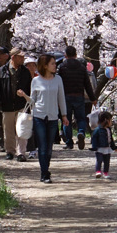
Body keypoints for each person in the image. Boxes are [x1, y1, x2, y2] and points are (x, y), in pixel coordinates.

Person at [26, 53, 69, 184]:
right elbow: (33, 99)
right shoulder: (36, 80)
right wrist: (24, 96)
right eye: (52, 64)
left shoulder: (58, 80)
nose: (55, 66)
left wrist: (64, 115)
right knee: (42, 146)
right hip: (39, 116)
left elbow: (61, 98)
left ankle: (46, 169)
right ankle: (44, 173)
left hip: (53, 117)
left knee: (49, 147)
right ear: (45, 66)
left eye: (55, 64)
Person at [0, 47, 32, 162]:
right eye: (20, 57)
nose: (23, 59)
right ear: (13, 57)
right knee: (8, 130)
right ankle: (10, 151)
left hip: (21, 105)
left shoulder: (25, 72)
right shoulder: (2, 71)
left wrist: (26, 95)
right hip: (7, 105)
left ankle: (21, 152)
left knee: (21, 129)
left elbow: (30, 87)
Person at [57, 45, 95, 149]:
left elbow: (58, 83)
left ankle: (69, 143)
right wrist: (93, 98)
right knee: (81, 118)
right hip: (79, 96)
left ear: (65, 55)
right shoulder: (82, 67)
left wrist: (57, 99)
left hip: (65, 97)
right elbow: (87, 84)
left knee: (66, 119)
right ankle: (81, 132)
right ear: (76, 55)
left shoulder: (62, 67)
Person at [90, 110, 117, 179]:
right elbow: (94, 139)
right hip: (99, 148)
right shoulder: (97, 130)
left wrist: (113, 147)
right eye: (110, 120)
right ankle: (98, 171)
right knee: (99, 160)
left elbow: (111, 139)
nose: (111, 122)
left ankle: (105, 172)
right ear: (106, 120)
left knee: (107, 161)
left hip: (107, 148)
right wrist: (94, 147)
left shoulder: (108, 130)